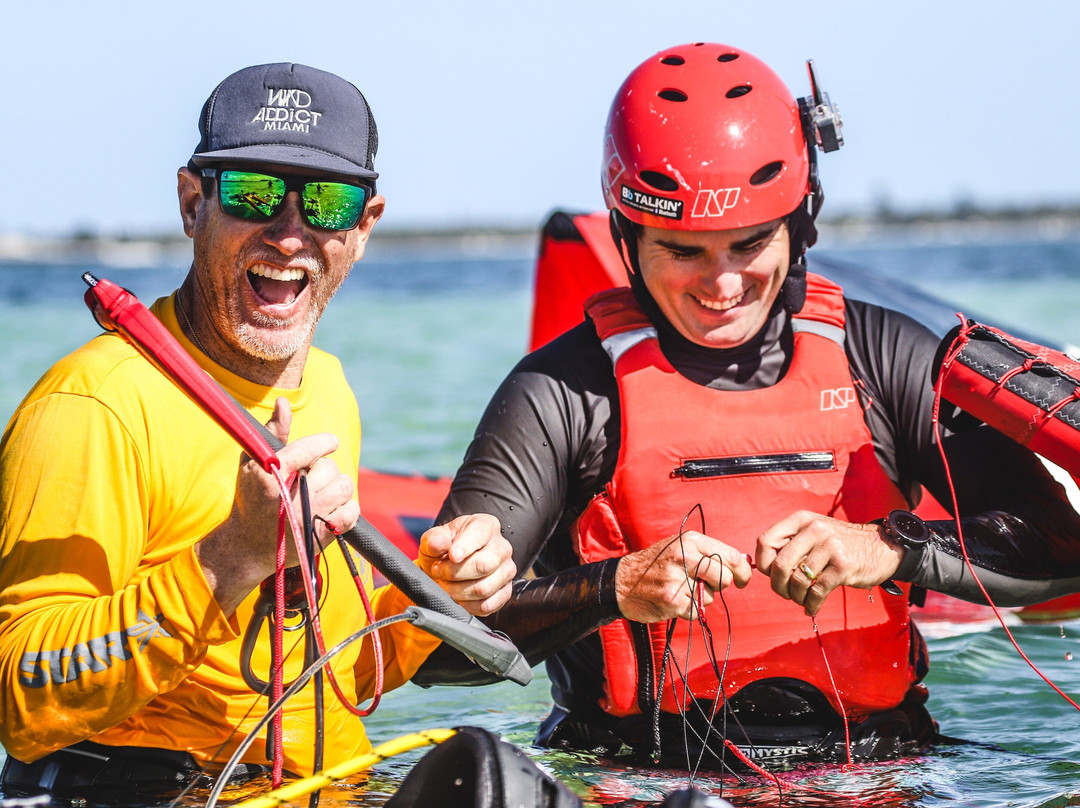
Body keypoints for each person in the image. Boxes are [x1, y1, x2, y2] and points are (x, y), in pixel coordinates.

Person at [414, 43, 1080, 769]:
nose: (722, 283)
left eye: (749, 243)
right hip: (640, 775)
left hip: (885, 769)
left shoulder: (886, 358)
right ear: (628, 237)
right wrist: (613, 587)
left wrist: (888, 546)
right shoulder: (560, 394)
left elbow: (1063, 544)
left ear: (800, 227)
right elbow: (431, 654)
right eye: (683, 250)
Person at [0, 62, 514, 793]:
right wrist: (224, 562)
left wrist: (435, 592)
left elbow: (340, 670)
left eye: (329, 204)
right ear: (191, 202)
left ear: (364, 228)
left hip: (317, 779)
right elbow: (20, 700)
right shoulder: (92, 409)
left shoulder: (328, 385)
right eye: (253, 192)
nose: (289, 233)